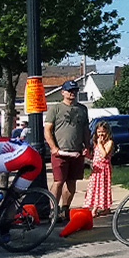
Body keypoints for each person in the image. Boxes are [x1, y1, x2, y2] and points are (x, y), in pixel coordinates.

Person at [44, 80, 89, 223]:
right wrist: (53, 147)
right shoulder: (56, 108)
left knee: (71, 181)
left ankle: (65, 209)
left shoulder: (82, 109)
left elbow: (86, 129)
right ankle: (53, 210)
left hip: (76, 151)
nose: (72, 93)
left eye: (74, 90)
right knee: (58, 181)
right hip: (60, 152)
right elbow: (47, 130)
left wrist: (87, 145)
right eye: (69, 90)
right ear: (62, 92)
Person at [85, 121, 115, 214]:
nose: (101, 134)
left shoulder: (109, 142)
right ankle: (103, 208)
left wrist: (100, 144)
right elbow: (95, 155)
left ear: (107, 132)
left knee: (102, 188)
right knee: (94, 188)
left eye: (103, 131)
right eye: (99, 132)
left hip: (104, 169)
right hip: (96, 168)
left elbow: (104, 154)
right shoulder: (96, 143)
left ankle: (98, 208)